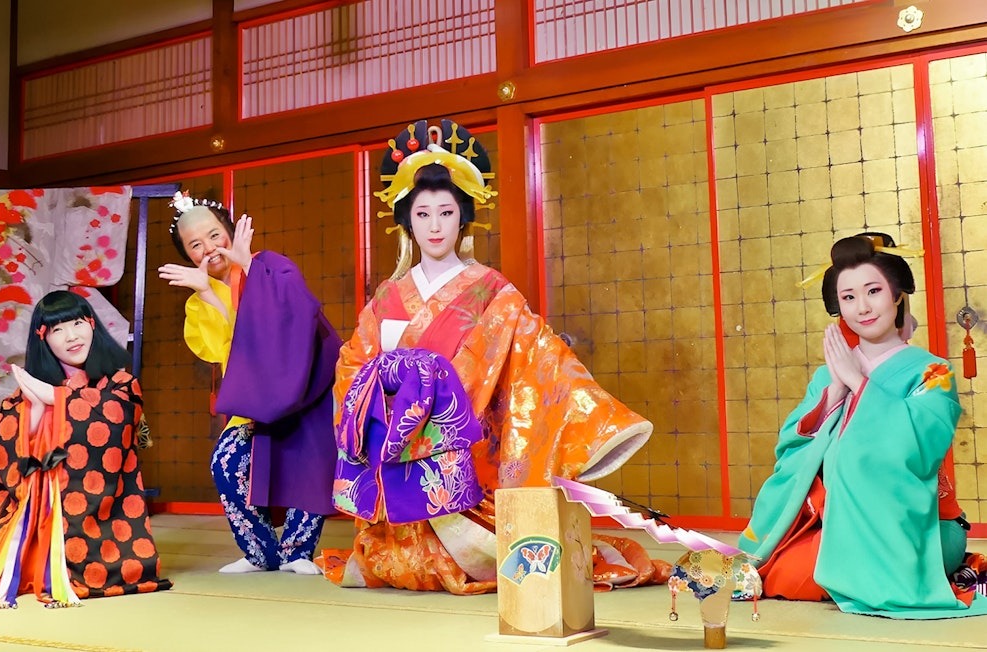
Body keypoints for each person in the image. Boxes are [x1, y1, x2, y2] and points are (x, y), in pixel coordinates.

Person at [324, 119, 661, 594]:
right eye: (422, 214)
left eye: (445, 212)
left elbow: (540, 357)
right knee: (386, 563)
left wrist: (595, 420)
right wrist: (387, 393)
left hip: (461, 452)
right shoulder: (387, 297)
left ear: (463, 217)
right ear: (406, 221)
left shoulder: (492, 292)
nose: (435, 225)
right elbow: (352, 368)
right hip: (394, 443)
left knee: (482, 556)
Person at [738, 233, 987, 618]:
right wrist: (836, 390)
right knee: (792, 573)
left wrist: (859, 383)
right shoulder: (828, 374)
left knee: (825, 575)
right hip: (840, 516)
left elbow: (920, 444)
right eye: (849, 297)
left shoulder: (934, 370)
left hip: (918, 520)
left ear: (897, 295)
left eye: (873, 291)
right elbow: (791, 449)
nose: (863, 307)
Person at [0, 290, 171, 607]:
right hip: (33, 508)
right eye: (57, 330)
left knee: (113, 565)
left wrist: (56, 398)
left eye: (77, 323)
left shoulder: (120, 383)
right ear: (44, 339)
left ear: (92, 324)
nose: (71, 336)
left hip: (94, 511)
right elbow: (4, 446)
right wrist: (35, 409)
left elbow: (115, 423)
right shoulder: (31, 386)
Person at [158, 194, 339, 575]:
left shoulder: (270, 265)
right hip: (257, 399)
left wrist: (247, 266)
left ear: (230, 231)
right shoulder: (198, 301)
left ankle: (298, 552)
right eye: (195, 244)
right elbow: (234, 350)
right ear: (188, 255)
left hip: (306, 390)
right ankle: (261, 553)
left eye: (214, 235)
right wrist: (207, 294)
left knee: (309, 460)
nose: (209, 248)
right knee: (226, 462)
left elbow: (297, 312)